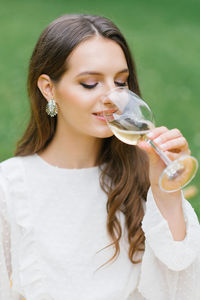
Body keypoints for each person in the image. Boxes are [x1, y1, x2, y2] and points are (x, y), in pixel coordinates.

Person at [0, 14, 200, 300]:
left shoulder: (143, 175)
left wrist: (165, 192)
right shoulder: (10, 186)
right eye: (91, 83)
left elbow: (183, 289)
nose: (112, 97)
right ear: (48, 88)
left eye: (121, 82)